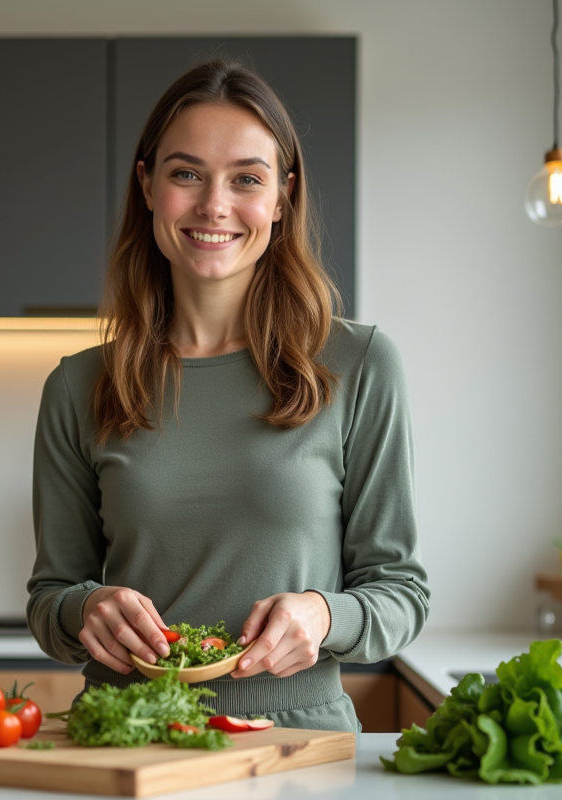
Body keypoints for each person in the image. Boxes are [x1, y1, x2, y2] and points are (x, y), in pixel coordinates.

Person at [26, 59, 429, 732]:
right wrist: (84, 608)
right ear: (147, 185)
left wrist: (324, 614)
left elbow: (401, 593)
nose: (214, 205)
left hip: (299, 741)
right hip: (128, 736)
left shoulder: (360, 365)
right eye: (186, 174)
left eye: (246, 178)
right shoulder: (78, 385)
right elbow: (50, 598)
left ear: (282, 198)